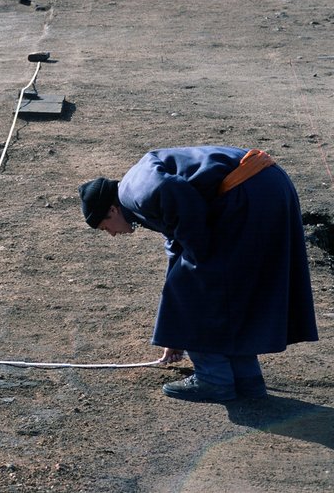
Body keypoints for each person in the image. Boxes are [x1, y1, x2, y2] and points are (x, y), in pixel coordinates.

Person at [78, 146, 318, 402]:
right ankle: (245, 378)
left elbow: (176, 196)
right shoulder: (136, 198)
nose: (113, 234)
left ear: (112, 210)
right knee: (229, 288)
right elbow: (176, 250)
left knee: (197, 287)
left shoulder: (132, 190)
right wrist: (174, 333)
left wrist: (200, 265)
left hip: (249, 192)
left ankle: (214, 379)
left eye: (106, 227)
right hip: (267, 187)